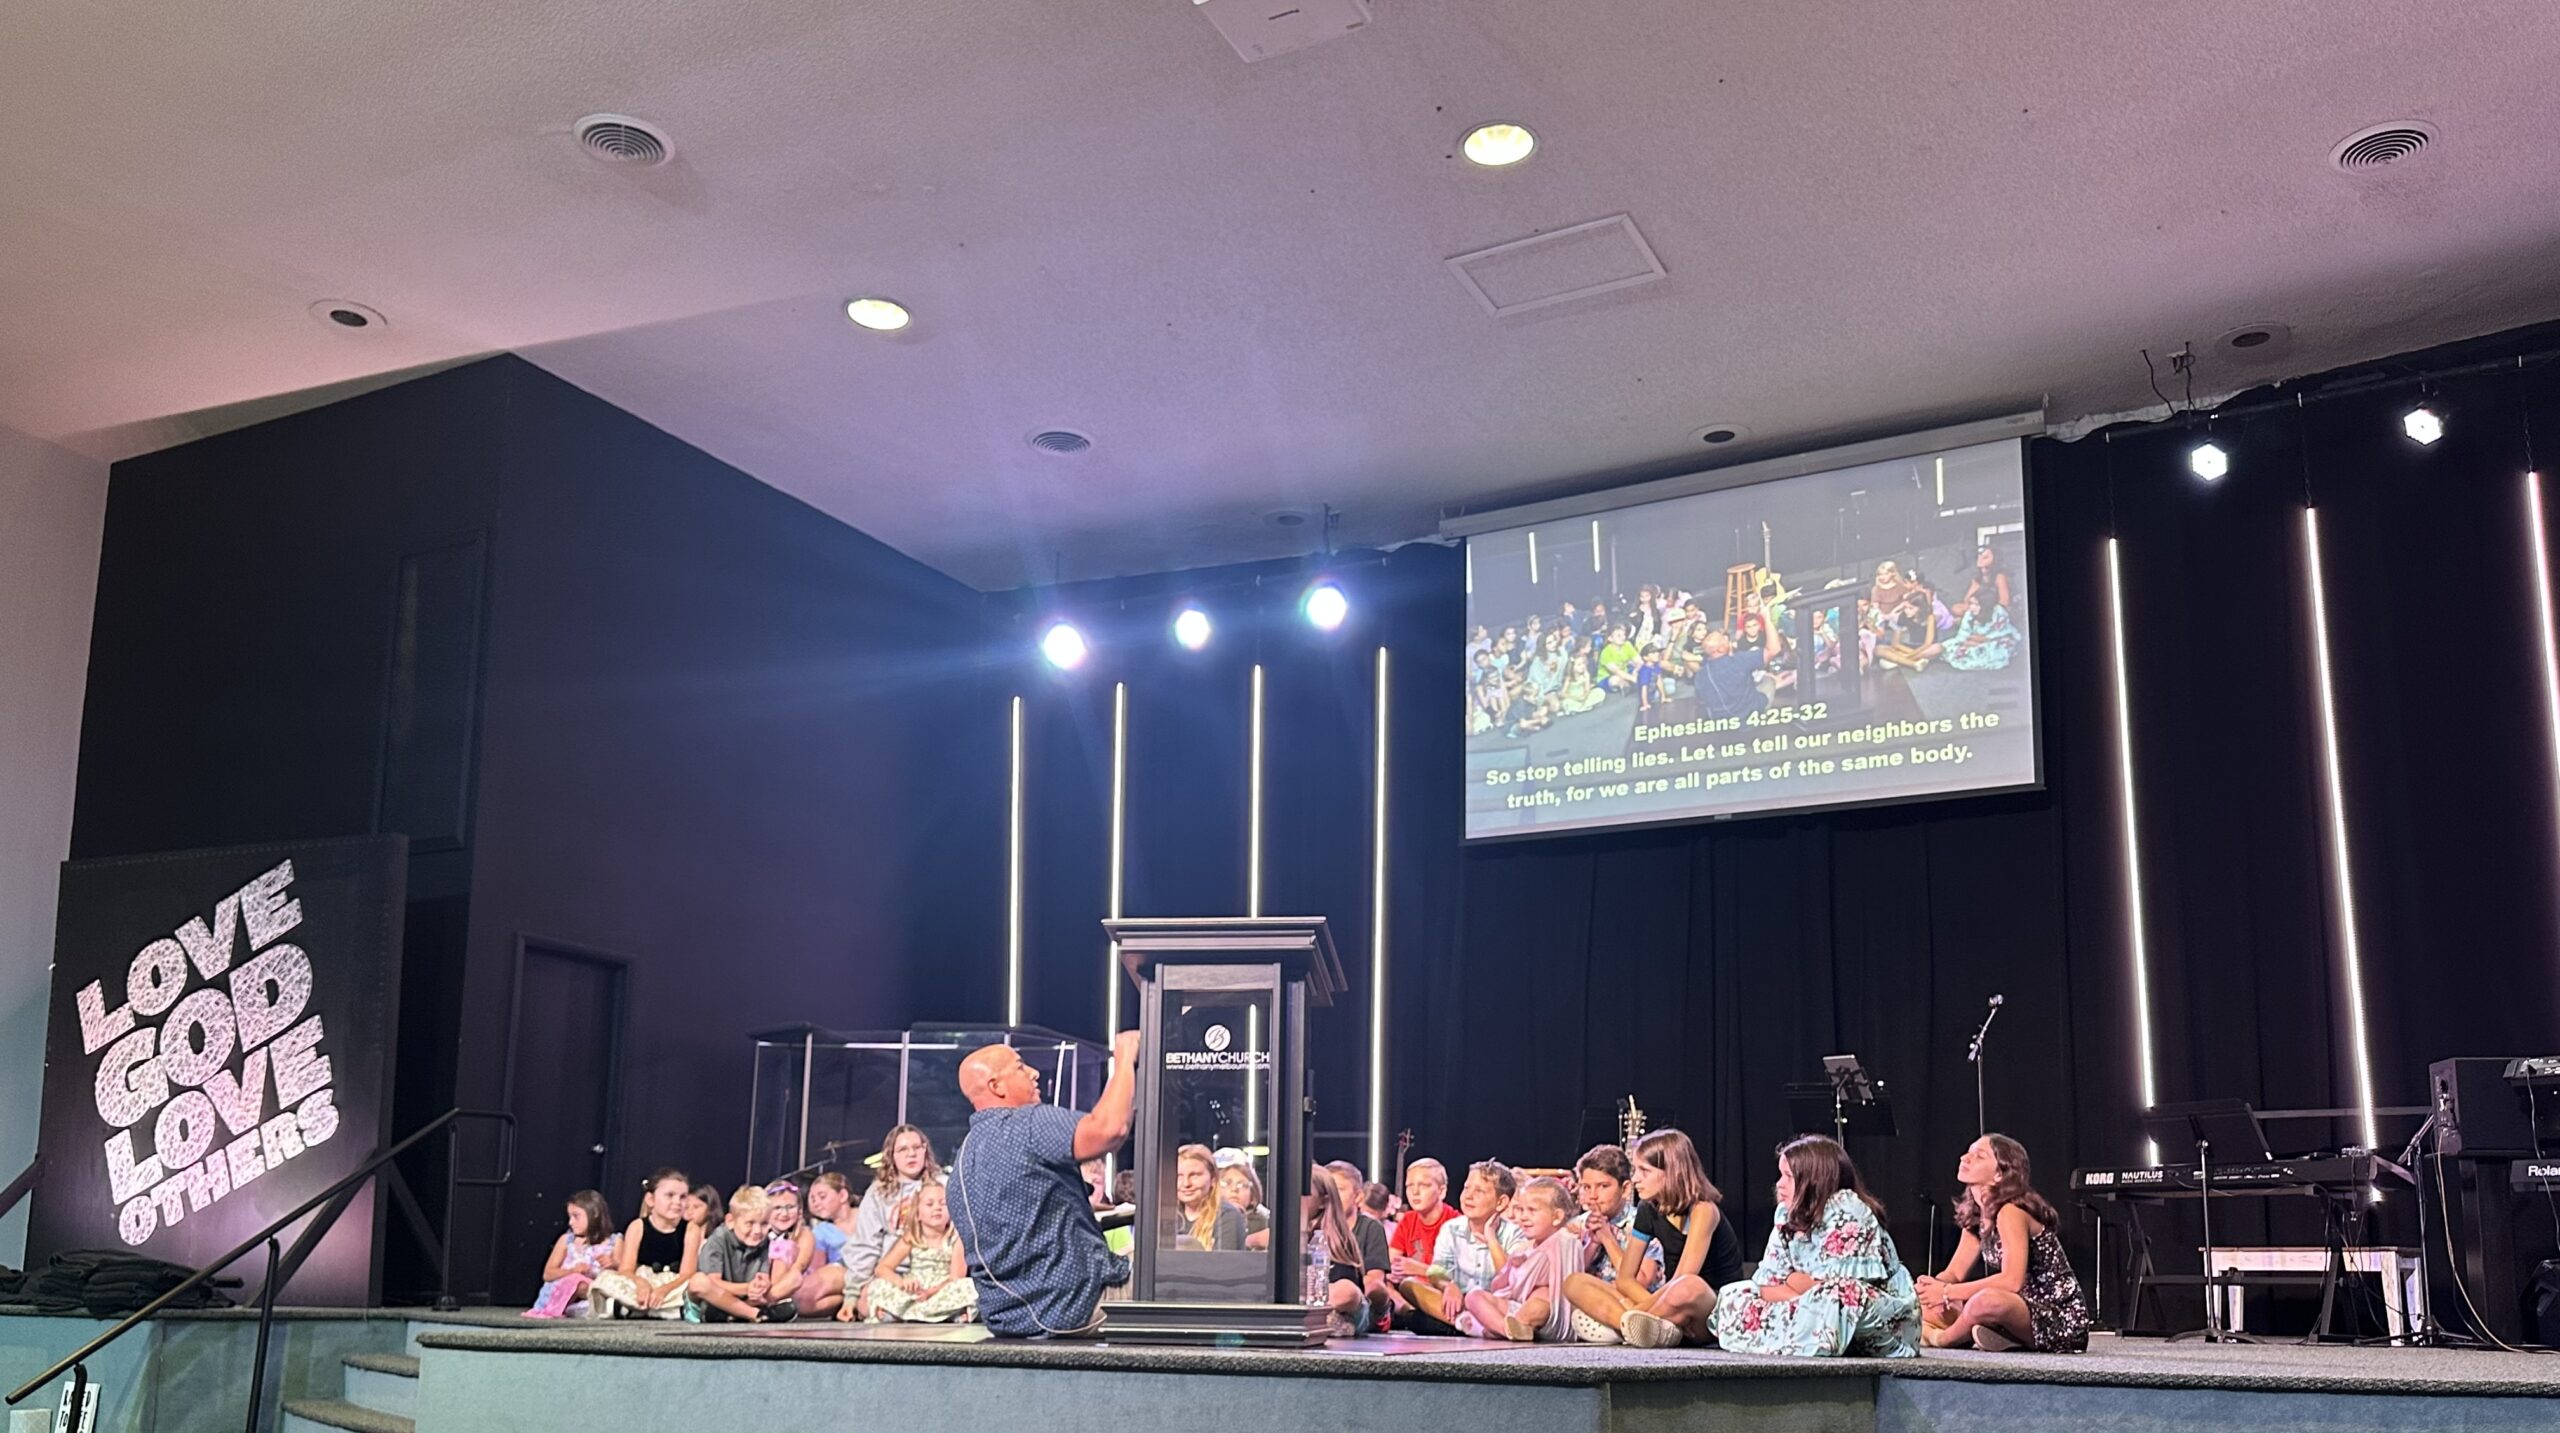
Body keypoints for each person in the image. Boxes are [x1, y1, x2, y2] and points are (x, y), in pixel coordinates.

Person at [945, 1030, 1141, 1337]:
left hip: (1012, 1320)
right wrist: (1125, 1056)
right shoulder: (1025, 1124)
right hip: (1074, 1308)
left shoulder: (963, 1160)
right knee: (1185, 1254)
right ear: (996, 1086)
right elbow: (1110, 1129)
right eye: (1021, 1067)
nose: (1035, 1073)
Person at [1710, 1135, 1920, 1358]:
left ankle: (1803, 1334)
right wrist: (1798, 1288)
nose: (1779, 1184)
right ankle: (1801, 1335)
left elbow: (1837, 1289)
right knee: (1736, 1293)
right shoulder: (1785, 1214)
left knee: (1837, 1296)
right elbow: (1770, 1281)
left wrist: (1793, 1280)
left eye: (1788, 1177)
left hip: (1871, 1313)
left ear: (1813, 1181)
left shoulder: (1847, 1209)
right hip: (1810, 1301)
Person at [1918, 1134, 2089, 1352]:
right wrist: (1932, 1289)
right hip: (2019, 1310)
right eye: (1967, 1153)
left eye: (1978, 1156)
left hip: (2059, 1317)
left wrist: (1947, 1292)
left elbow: (2011, 1281)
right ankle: (2003, 1336)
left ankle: (1942, 1338)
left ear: (1999, 1174)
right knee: (1925, 1303)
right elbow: (1954, 1273)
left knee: (1985, 1301)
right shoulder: (1977, 1216)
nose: (1964, 1158)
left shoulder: (2010, 1212)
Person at [1603, 1129, 1743, 1347]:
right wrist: (1646, 1305)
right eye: (1635, 1170)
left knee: (1689, 1287)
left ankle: (1625, 1324)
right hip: (1668, 1301)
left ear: (1672, 1172)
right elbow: (1625, 1278)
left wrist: (1637, 1309)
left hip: (1710, 1308)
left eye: (1644, 1171)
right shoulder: (1648, 1209)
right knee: (1576, 1283)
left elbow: (1683, 1280)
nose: (1635, 1178)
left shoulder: (1703, 1210)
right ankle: (1648, 1325)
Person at [1395, 1160, 1524, 1335]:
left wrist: (1491, 1239)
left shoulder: (1514, 1233)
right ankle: (1469, 1325)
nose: (1468, 1196)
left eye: (1479, 1191)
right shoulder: (1451, 1228)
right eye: (1466, 1188)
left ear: (1500, 1202)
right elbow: (1437, 1271)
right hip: (1459, 1306)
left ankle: (1481, 1326)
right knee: (1409, 1285)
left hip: (1497, 1306)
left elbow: (1511, 1282)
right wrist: (1448, 1285)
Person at [1558, 1144, 1665, 1343]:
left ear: (1625, 1189)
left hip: (1637, 1304)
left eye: (1603, 1186)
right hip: (1598, 1306)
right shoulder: (1577, 1226)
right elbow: (1564, 1282)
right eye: (1586, 1187)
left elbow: (1641, 1280)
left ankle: (1639, 1328)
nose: (1593, 1195)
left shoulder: (1644, 1222)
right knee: (1574, 1291)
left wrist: (1608, 1239)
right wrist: (1591, 1243)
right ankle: (1630, 1330)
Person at [1459, 1176, 1581, 1342]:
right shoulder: (1525, 1247)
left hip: (1547, 1310)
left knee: (1541, 1296)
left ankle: (1494, 1329)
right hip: (1516, 1307)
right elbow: (1507, 1286)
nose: (1523, 1217)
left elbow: (1572, 1272)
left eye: (1531, 1210)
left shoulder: (1565, 1239)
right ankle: (1507, 1329)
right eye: (1521, 1210)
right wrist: (1516, 1264)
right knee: (1473, 1296)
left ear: (1557, 1217)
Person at [844, 1124, 940, 1318]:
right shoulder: (878, 1193)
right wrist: (852, 1294)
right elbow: (866, 1245)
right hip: (891, 1274)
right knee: (865, 1305)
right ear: (892, 1156)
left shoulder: (944, 1186)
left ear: (925, 1151)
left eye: (916, 1148)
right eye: (903, 1149)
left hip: (935, 1272)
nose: (911, 1154)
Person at [858, 1180, 978, 1323]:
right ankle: (899, 1313)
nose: (937, 1208)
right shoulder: (912, 1237)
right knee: (877, 1286)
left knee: (968, 1286)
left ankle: (949, 1313)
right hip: (913, 1292)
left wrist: (930, 1293)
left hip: (940, 1291)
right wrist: (901, 1282)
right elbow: (882, 1268)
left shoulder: (956, 1238)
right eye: (929, 1204)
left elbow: (956, 1277)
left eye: (943, 1204)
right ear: (918, 1213)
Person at [590, 1167, 701, 1319]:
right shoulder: (637, 1226)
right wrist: (641, 1284)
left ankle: (635, 1308)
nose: (677, 1202)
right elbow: (626, 1269)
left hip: (672, 1285)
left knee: (695, 1286)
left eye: (682, 1197)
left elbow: (687, 1274)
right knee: (605, 1279)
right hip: (642, 1282)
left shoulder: (691, 1230)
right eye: (670, 1195)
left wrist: (664, 1290)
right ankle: (654, 1309)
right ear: (651, 1200)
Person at [687, 1183, 798, 1323]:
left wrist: (761, 1286)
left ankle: (736, 1313)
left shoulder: (763, 1241)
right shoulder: (718, 1239)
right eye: (750, 1223)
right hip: (719, 1296)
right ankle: (755, 1314)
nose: (757, 1231)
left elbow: (762, 1276)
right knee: (699, 1282)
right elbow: (713, 1282)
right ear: (731, 1221)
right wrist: (747, 1289)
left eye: (764, 1224)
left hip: (745, 1298)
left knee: (795, 1278)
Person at [1306, 1164, 1391, 1337]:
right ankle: (1325, 1320)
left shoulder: (1370, 1227)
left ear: (1358, 1197)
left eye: (1340, 1189)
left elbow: (1373, 1281)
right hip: (1316, 1299)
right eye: (1327, 1191)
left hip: (1352, 1301)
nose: (1333, 1196)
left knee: (1347, 1291)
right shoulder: (1310, 1226)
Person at [527, 1189, 618, 1318]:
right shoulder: (566, 1240)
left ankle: (603, 1306)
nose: (571, 1222)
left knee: (601, 1291)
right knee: (576, 1282)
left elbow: (625, 1270)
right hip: (565, 1295)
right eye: (570, 1217)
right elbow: (548, 1274)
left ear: (595, 1213)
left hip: (595, 1292)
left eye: (576, 1216)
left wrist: (613, 1264)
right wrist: (573, 1271)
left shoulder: (614, 1241)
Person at [794, 1171, 858, 1317]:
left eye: (822, 1197)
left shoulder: (868, 1215)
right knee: (803, 1298)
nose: (816, 1203)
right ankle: (845, 1303)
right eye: (812, 1198)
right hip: (843, 1274)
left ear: (842, 1196)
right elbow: (818, 1271)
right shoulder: (820, 1232)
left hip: (874, 1269)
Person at [1693, 624, 1782, 719]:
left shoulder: (1700, 675)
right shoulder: (1739, 660)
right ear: (1721, 649)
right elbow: (1774, 650)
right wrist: (1767, 617)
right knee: (1768, 680)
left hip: (1721, 721)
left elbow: (1701, 700)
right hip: (1748, 715)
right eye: (1724, 640)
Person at [1173, 1143, 1248, 1251]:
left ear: (1213, 1179)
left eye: (1195, 1175)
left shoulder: (1227, 1216)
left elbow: (1223, 1265)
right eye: (1179, 1176)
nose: (1186, 1183)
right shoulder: (1165, 1216)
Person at [1942, 592, 2019, 672]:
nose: (1972, 607)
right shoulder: (1969, 613)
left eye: (1976, 604)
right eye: (1971, 604)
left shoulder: (1999, 613)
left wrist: (1983, 639)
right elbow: (1963, 635)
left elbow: (2001, 633)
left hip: (1997, 640)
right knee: (1953, 648)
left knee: (1998, 648)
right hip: (1974, 639)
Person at [1217, 1161, 1272, 1250]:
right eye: (1226, 1183)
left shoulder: (1266, 1223)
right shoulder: (1205, 1220)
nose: (1234, 1189)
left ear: (1253, 1195)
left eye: (1242, 1185)